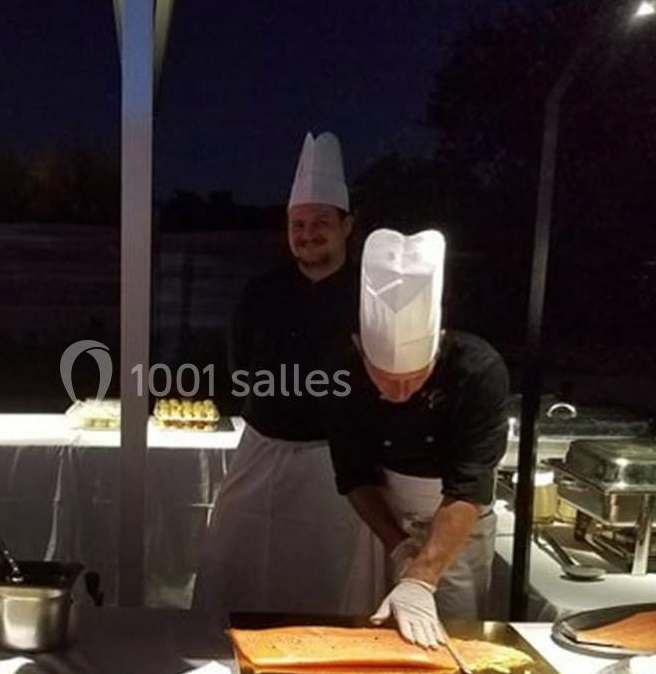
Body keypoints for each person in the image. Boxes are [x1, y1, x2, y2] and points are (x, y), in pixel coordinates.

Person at [191, 132, 361, 614]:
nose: (307, 234)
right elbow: (238, 364)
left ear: (348, 225)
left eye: (320, 223)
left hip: (337, 464)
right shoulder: (262, 291)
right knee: (231, 563)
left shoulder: (369, 295)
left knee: (323, 578)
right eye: (297, 224)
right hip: (260, 450)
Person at [324, 228, 508, 646]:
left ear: (439, 344)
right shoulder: (341, 374)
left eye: (415, 377)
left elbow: (470, 485)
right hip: (384, 511)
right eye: (385, 378)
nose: (400, 393)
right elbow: (353, 473)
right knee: (369, 634)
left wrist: (423, 578)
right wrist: (399, 545)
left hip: (459, 517)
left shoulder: (479, 371)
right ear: (359, 347)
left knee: (457, 637)